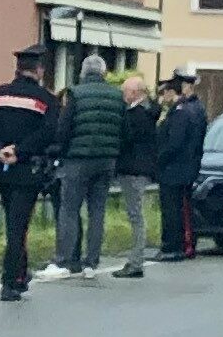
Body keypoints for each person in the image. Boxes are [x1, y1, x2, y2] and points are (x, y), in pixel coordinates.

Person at [0, 45, 60, 302]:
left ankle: (21, 275)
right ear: (40, 70)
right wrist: (20, 151)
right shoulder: (46, 100)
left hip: (1, 168)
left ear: (17, 69)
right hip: (27, 168)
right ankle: (10, 282)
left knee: (13, 219)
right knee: (17, 226)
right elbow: (50, 133)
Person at [38, 55, 125, 280]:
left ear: (83, 72)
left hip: (77, 160)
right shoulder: (117, 96)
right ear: (104, 73)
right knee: (97, 211)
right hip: (106, 161)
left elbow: (64, 128)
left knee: (69, 209)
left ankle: (64, 260)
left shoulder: (75, 94)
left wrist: (59, 153)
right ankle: (91, 262)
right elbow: (124, 130)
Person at [154, 72, 207, 262]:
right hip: (181, 169)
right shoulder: (187, 109)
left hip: (176, 169)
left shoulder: (181, 112)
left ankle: (177, 246)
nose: (162, 98)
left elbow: (174, 143)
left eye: (164, 93)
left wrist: (159, 159)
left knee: (175, 210)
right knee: (176, 209)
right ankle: (179, 245)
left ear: (170, 92)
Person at [112, 77, 159, 278]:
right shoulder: (151, 112)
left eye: (126, 91)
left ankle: (136, 261)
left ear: (135, 92)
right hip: (143, 168)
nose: (123, 95)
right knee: (136, 214)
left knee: (136, 216)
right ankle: (136, 259)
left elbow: (126, 140)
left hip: (132, 169)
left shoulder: (135, 115)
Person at [41, 90, 81, 271]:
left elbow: (57, 142)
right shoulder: (70, 118)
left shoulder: (58, 120)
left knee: (65, 213)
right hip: (64, 167)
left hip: (62, 168)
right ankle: (73, 253)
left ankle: (68, 254)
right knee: (68, 213)